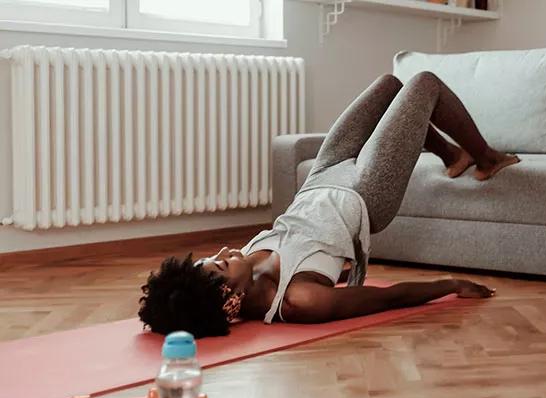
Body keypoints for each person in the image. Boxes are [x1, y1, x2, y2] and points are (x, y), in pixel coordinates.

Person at [139, 72, 520, 338]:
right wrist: (450, 285)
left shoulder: (245, 265)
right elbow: (387, 297)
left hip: (320, 178)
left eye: (216, 256)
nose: (225, 250)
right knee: (425, 83)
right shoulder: (300, 300)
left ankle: (452, 154)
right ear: (228, 299)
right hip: (365, 194)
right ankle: (486, 158)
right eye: (221, 265)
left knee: (389, 85)